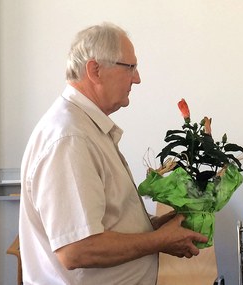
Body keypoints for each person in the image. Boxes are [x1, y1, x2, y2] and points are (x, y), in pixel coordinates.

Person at [19, 22, 207, 285]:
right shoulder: (70, 138)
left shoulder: (85, 127)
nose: (137, 78)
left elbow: (106, 221)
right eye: (130, 67)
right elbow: (76, 250)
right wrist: (159, 240)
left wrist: (154, 226)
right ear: (95, 70)